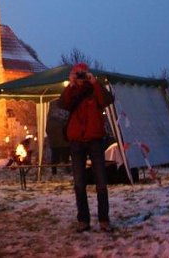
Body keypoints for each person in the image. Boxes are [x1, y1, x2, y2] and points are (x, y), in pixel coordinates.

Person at [60, 62, 114, 232]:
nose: (80, 77)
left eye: (82, 73)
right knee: (79, 183)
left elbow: (106, 100)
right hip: (76, 141)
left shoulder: (94, 88)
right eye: (78, 74)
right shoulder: (72, 91)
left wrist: (95, 82)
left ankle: (104, 220)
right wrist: (70, 85)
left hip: (94, 139)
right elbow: (63, 104)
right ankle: (83, 220)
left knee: (101, 182)